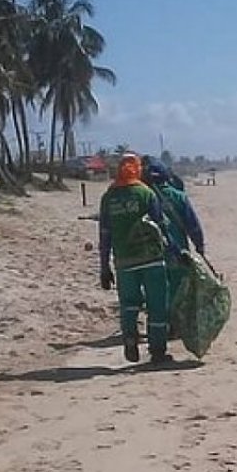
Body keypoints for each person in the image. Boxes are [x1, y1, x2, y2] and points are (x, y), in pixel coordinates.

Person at [98, 153, 175, 364]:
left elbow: (104, 234)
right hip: (152, 258)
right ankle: (157, 351)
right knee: (157, 304)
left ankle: (130, 338)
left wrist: (104, 267)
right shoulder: (146, 193)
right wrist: (175, 251)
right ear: (138, 169)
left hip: (124, 261)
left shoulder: (108, 198)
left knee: (129, 304)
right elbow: (161, 226)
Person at [143, 158, 207, 300]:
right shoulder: (178, 196)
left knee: (156, 292)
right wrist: (199, 245)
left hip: (150, 254)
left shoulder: (143, 197)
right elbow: (193, 225)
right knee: (179, 289)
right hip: (179, 252)